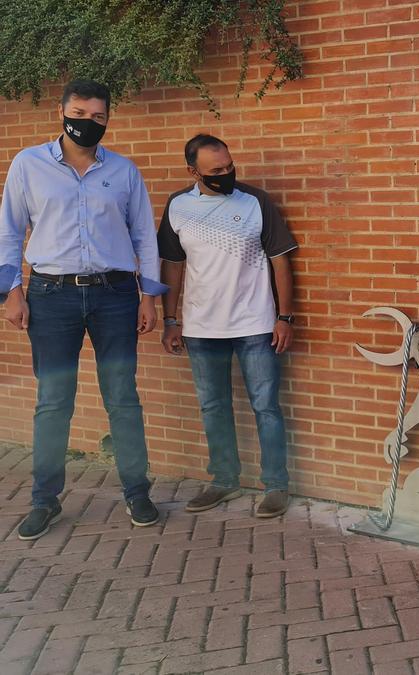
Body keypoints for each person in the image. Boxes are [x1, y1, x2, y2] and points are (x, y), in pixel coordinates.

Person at [0, 79, 167, 539]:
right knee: (53, 403)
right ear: (61, 110)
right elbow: (10, 231)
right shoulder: (28, 164)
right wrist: (11, 291)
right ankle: (44, 499)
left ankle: (137, 491)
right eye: (78, 112)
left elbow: (143, 238)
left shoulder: (124, 171)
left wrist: (148, 296)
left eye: (97, 116)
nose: (86, 122)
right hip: (51, 297)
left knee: (123, 398)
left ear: (108, 118)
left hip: (115, 296)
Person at [158, 133, 298, 518]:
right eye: (216, 171)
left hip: (255, 324)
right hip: (201, 328)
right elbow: (171, 265)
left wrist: (284, 317)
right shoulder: (178, 206)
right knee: (213, 406)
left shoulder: (255, 201)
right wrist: (170, 319)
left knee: (266, 406)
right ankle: (223, 479)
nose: (226, 174)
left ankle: (275, 485)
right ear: (193, 171)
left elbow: (280, 261)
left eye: (230, 166)